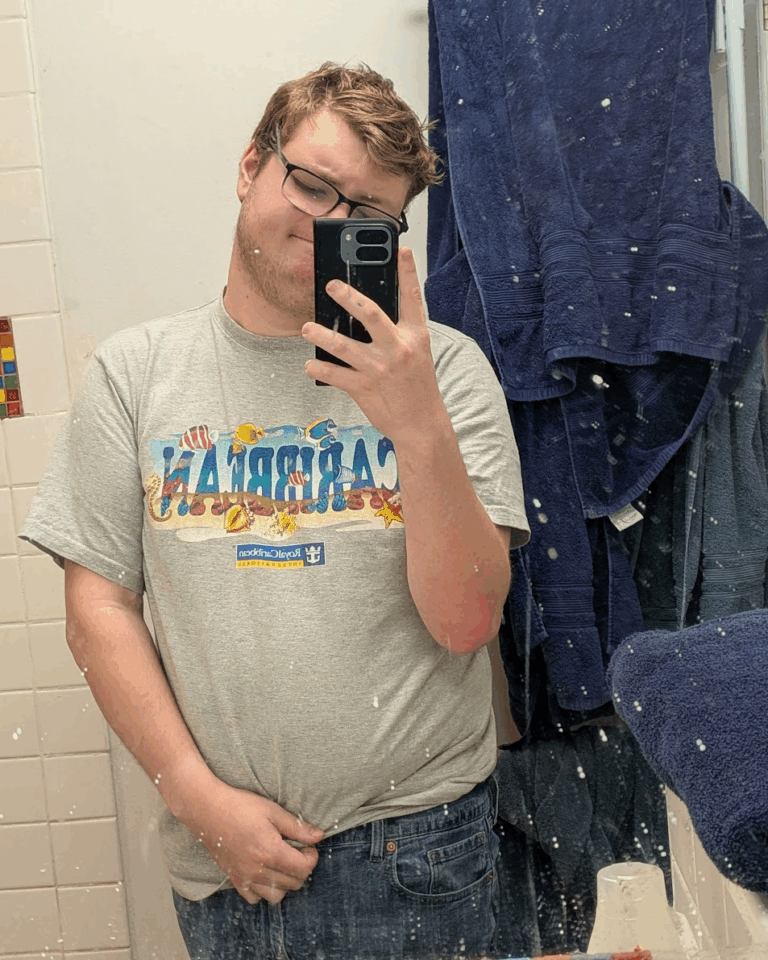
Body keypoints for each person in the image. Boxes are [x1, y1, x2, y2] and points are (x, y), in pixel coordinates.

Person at [21, 63, 530, 960]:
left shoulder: (446, 374)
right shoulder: (136, 375)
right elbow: (98, 609)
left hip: (421, 850)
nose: (330, 223)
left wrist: (416, 424)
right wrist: (194, 796)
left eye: (367, 215)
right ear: (251, 166)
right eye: (312, 184)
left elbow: (464, 623)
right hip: (223, 861)